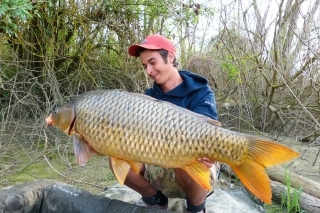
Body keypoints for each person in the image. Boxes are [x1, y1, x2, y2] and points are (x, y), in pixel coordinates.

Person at [112, 34, 220, 213]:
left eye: (152, 62)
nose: (148, 71)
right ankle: (155, 201)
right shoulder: (147, 98)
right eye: (145, 66)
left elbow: (207, 134)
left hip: (191, 165)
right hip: (157, 162)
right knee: (116, 158)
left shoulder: (200, 92)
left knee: (190, 157)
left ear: (170, 56)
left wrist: (209, 154)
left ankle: (196, 208)